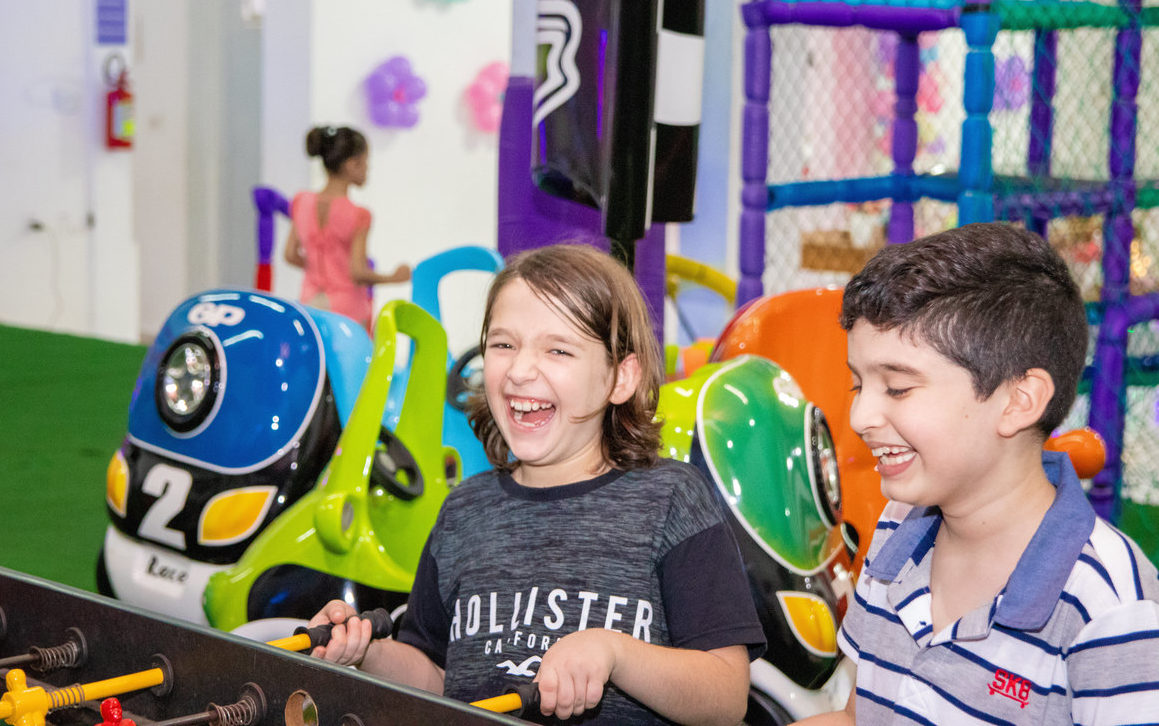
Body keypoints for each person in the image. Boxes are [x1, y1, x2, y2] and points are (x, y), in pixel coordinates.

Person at [308, 243, 765, 724]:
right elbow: (438, 678)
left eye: (558, 349)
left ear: (620, 378)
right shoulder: (464, 511)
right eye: (503, 344)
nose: (520, 371)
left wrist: (616, 653)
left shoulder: (672, 499)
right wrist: (366, 654)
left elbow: (725, 695)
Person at [797, 222, 1159, 725]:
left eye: (898, 388)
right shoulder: (898, 530)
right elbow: (860, 716)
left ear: (1019, 400)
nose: (860, 418)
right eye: (860, 384)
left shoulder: (1107, 607)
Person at [283, 125, 411, 331]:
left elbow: (290, 254)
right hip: (346, 309)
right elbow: (357, 272)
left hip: (310, 303)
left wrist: (318, 267)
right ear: (352, 164)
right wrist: (393, 278)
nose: (368, 169)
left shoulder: (301, 201)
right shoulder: (359, 214)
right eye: (366, 163)